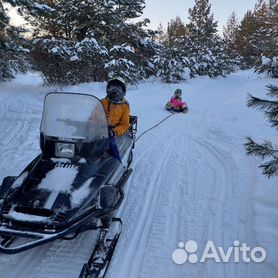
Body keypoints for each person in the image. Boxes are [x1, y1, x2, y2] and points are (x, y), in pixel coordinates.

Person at [101, 78, 130, 161]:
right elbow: (93, 117)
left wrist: (114, 131)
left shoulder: (124, 106)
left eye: (118, 89)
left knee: (111, 145)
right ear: (108, 89)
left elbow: (125, 124)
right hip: (99, 130)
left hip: (112, 131)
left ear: (123, 91)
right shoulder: (102, 102)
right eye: (113, 88)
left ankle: (118, 164)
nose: (115, 91)